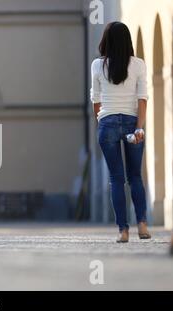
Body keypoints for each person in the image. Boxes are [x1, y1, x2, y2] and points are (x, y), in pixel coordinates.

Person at [91, 22, 151, 243]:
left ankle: (123, 231)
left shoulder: (97, 66)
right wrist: (139, 127)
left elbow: (95, 100)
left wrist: (102, 121)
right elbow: (142, 99)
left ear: (106, 41)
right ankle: (142, 225)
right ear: (128, 41)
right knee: (135, 176)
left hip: (107, 123)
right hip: (131, 123)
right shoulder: (138, 65)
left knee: (116, 179)